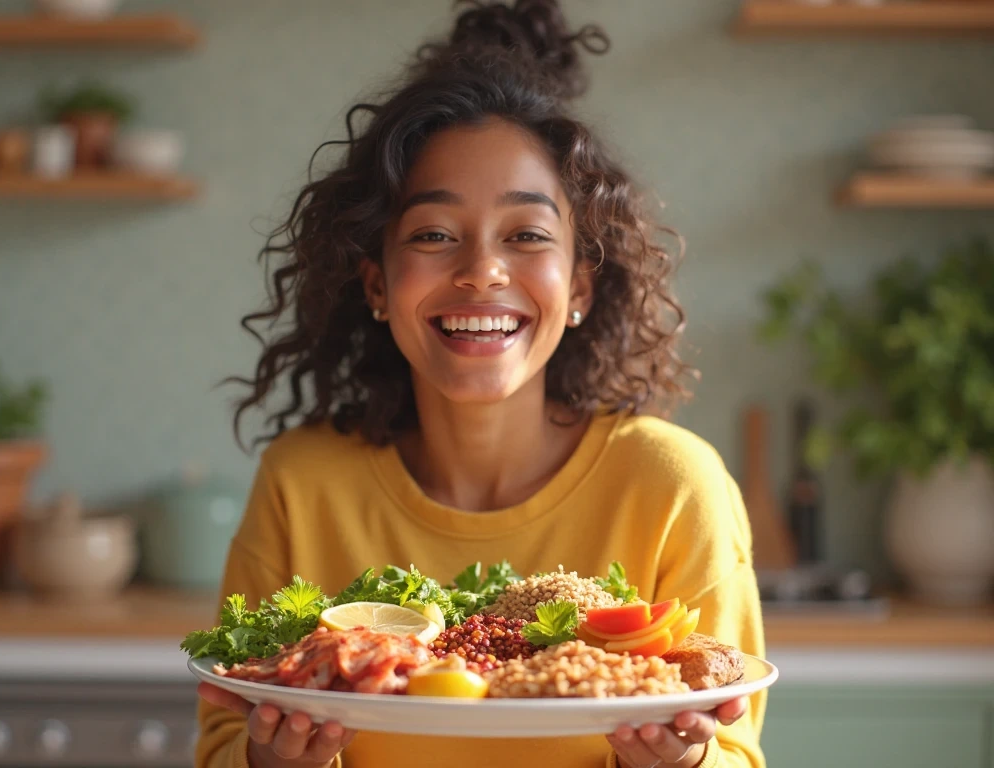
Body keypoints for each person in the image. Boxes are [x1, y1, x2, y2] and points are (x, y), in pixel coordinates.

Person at [194, 1, 767, 767]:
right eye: (433, 234)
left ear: (582, 290)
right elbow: (225, 740)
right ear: (376, 284)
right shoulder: (302, 485)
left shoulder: (671, 488)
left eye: (527, 235)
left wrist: (681, 760)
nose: (481, 271)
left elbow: (735, 747)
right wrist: (275, 761)